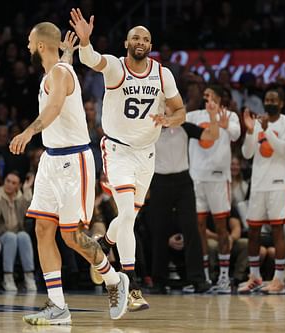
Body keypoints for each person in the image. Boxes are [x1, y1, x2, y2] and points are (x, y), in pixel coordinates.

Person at [9, 23, 129, 324]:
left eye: (29, 41)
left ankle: (114, 280)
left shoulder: (61, 74)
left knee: (72, 236)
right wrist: (66, 53)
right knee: (42, 229)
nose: (26, 47)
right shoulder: (58, 70)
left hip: (74, 160)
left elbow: (53, 108)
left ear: (39, 46)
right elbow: (62, 72)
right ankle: (58, 306)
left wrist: (28, 131)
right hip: (51, 161)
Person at [69, 8, 186, 311]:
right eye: (135, 37)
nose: (140, 41)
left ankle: (104, 244)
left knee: (128, 218)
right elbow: (91, 59)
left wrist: (171, 120)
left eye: (145, 38)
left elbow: (180, 110)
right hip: (118, 150)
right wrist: (84, 41)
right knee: (125, 211)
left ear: (150, 45)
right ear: (126, 43)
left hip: (147, 153)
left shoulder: (163, 73)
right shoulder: (115, 67)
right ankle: (131, 285)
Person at [149, 102, 220, 294]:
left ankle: (197, 279)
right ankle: (158, 280)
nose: (164, 112)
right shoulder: (150, 130)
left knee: (191, 229)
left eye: (168, 109)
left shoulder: (184, 127)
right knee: (159, 231)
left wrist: (213, 116)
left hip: (182, 182)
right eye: (161, 109)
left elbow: (212, 136)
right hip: (159, 182)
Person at [238, 89, 285, 294]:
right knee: (253, 232)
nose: (269, 102)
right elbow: (247, 153)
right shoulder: (257, 123)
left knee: (277, 231)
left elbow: (283, 150)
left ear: (281, 103)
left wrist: (266, 130)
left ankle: (279, 280)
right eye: (267, 99)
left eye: (274, 100)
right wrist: (249, 131)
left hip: (279, 184)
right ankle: (254, 277)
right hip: (258, 185)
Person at [186, 85, 241, 293]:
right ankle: (204, 277)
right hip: (196, 177)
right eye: (205, 95)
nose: (206, 98)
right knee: (198, 228)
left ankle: (224, 277)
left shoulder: (229, 115)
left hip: (218, 178)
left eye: (210, 95)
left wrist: (224, 125)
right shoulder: (193, 115)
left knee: (221, 227)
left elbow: (236, 135)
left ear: (219, 98)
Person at [0, 171, 36, 292]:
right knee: (10, 237)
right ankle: (8, 277)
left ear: (17, 186)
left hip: (16, 235)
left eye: (13, 183)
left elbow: (28, 211)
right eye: (8, 181)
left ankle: (29, 277)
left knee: (23, 235)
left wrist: (27, 190)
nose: (9, 184)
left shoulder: (19, 197)